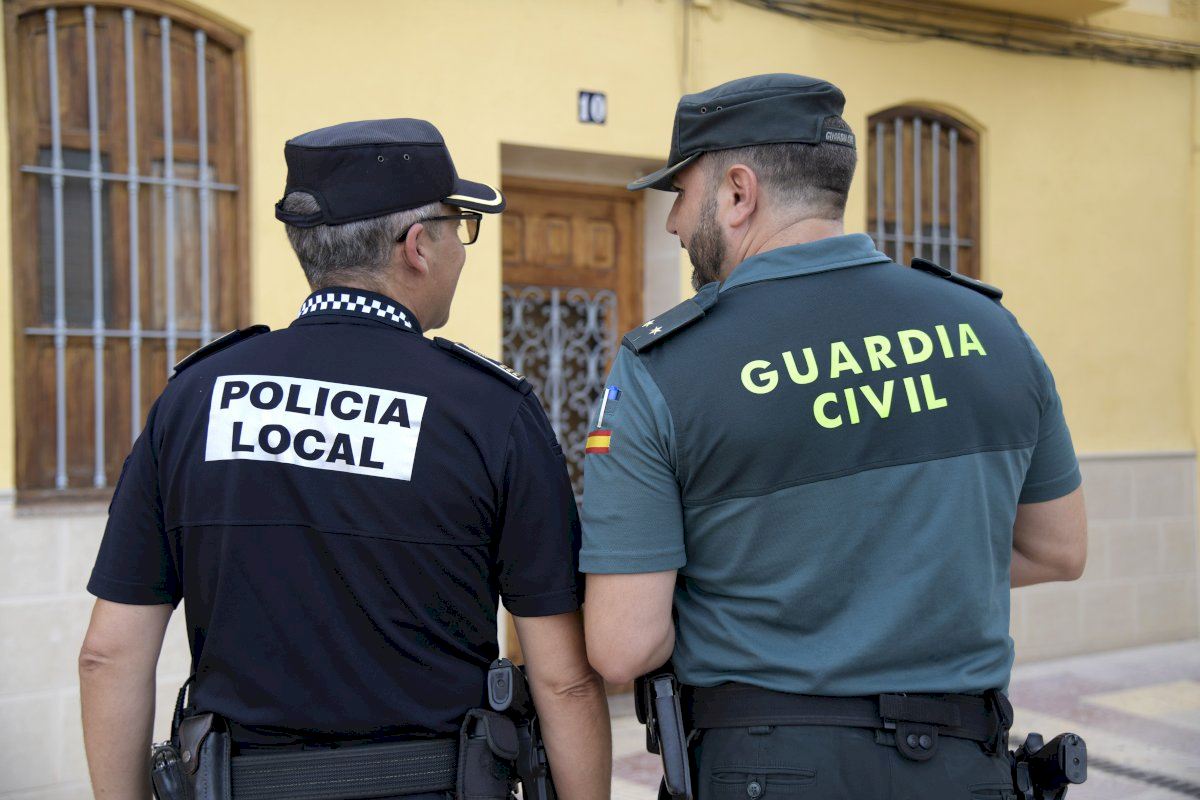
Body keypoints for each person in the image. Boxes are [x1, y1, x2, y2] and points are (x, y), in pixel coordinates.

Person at [580, 74, 1086, 799]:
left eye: (680, 194)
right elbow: (1058, 549)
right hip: (962, 768)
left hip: (767, 768)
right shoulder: (990, 330)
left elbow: (624, 647)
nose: (670, 224)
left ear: (737, 192)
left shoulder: (668, 366)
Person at [79, 118, 610, 800]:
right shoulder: (489, 410)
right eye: (460, 227)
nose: (462, 250)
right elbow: (562, 678)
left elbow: (107, 656)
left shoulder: (194, 399)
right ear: (418, 245)